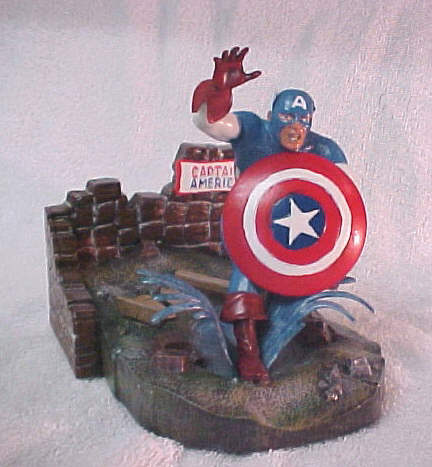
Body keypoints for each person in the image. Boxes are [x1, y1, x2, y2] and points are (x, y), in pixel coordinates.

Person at [192, 47, 346, 384]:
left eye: (303, 120)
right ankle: (248, 352)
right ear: (270, 115)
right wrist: (219, 91)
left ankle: (293, 323)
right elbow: (210, 123)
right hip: (248, 226)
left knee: (299, 283)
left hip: (302, 236)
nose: (295, 126)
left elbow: (344, 202)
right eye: (286, 117)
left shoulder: (324, 149)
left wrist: (334, 256)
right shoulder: (251, 129)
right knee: (246, 275)